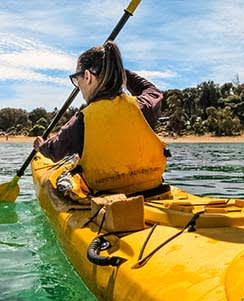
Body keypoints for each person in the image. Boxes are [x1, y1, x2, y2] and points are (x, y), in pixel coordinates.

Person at [33, 41, 166, 195]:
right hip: (153, 189)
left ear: (88, 76)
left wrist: (41, 146)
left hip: (105, 195)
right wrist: (118, 70)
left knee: (69, 172)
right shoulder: (143, 106)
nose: (78, 85)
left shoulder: (81, 121)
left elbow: (54, 152)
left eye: (77, 79)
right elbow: (153, 91)